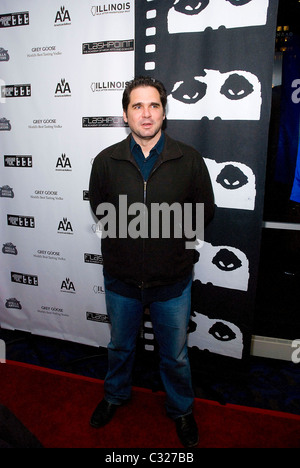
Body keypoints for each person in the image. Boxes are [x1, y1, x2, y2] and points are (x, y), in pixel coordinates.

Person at [88, 76, 214, 447]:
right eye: (137, 106)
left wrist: (176, 248)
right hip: (121, 279)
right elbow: (99, 208)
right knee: (120, 348)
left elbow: (204, 210)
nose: (146, 113)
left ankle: (181, 410)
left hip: (172, 281)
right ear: (126, 114)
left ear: (164, 111)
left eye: (154, 105)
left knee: (174, 356)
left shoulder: (188, 158)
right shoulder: (106, 160)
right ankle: (114, 396)